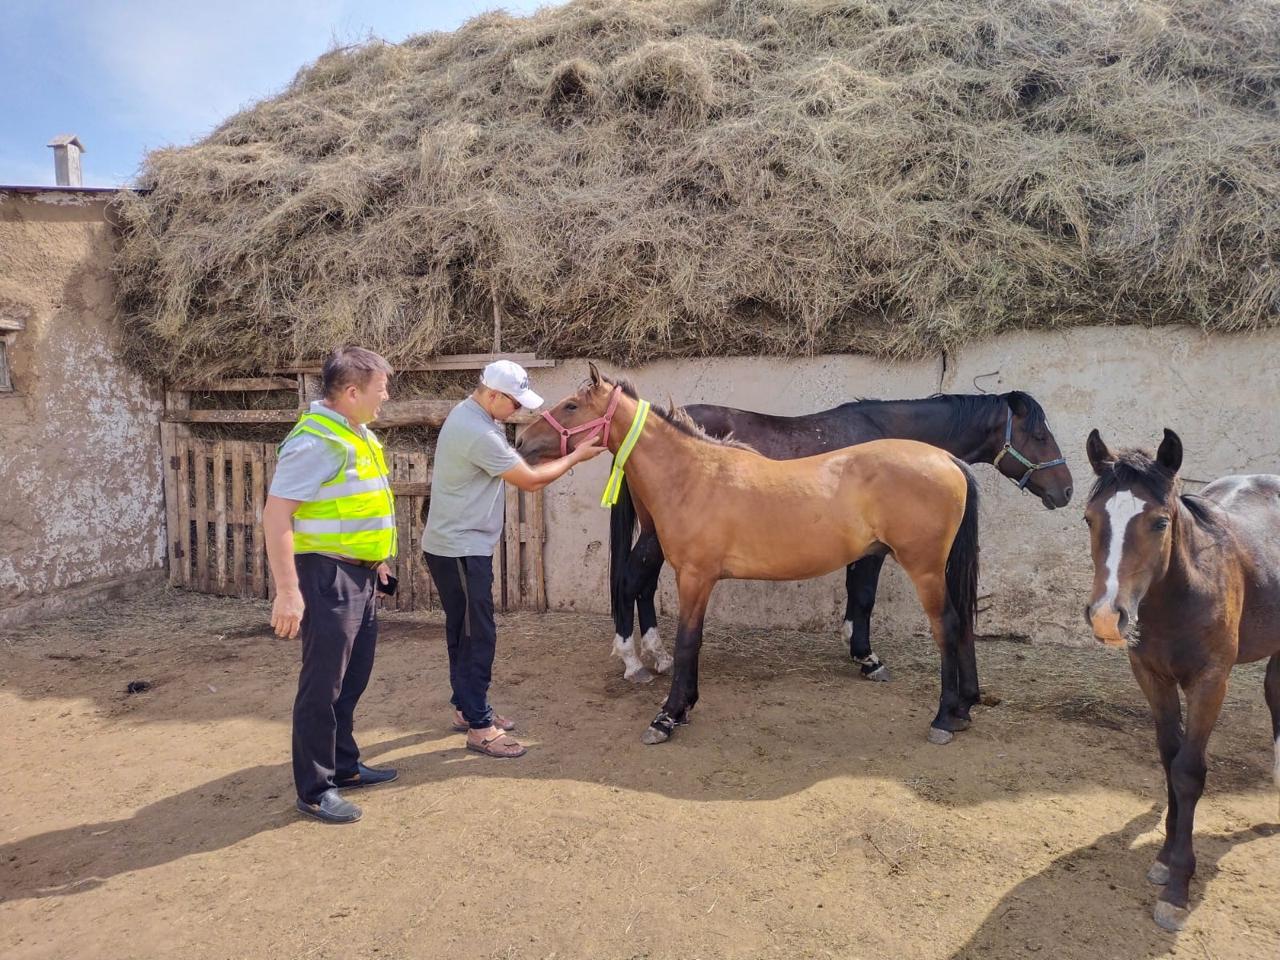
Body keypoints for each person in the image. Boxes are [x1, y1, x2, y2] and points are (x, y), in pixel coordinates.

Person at [423, 359, 606, 757]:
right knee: (478, 635)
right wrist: (577, 456)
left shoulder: (475, 415)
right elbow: (531, 481)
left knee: (464, 631)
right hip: (460, 548)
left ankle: (465, 707)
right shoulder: (476, 431)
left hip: (454, 546)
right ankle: (479, 726)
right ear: (492, 395)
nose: (519, 412)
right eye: (515, 403)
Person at [264, 346, 399, 824]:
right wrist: (287, 591)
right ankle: (316, 790)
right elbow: (277, 514)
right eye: (380, 391)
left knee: (352, 678)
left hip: (359, 573)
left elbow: (355, 504)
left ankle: (344, 766)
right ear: (351, 392)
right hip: (325, 577)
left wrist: (375, 558)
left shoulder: (355, 433)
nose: (385, 399)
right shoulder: (317, 441)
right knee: (322, 686)